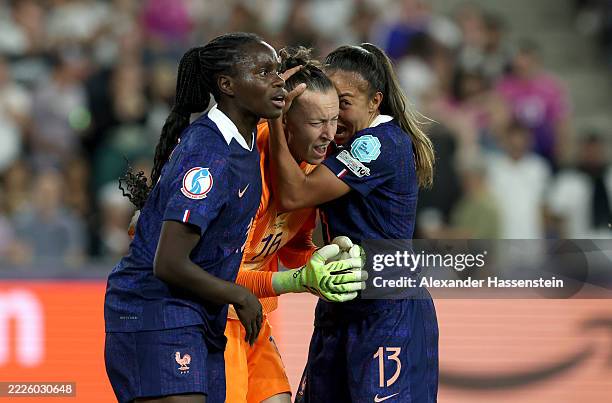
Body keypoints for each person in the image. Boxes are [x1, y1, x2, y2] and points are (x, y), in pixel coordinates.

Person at [104, 32, 285, 403]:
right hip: (154, 310)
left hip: (198, 314)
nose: (278, 80)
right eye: (264, 72)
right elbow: (168, 263)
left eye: (278, 71)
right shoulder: (210, 151)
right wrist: (240, 294)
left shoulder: (244, 143)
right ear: (227, 85)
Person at [269, 43, 439, 402]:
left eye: (344, 103)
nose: (334, 115)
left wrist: (273, 116)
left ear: (374, 101)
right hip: (341, 306)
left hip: (386, 311)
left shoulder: (378, 145)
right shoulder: (340, 140)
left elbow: (295, 195)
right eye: (329, 104)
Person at [224, 47, 367, 403]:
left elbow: (294, 244)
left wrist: (324, 263)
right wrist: (297, 281)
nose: (330, 135)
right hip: (211, 316)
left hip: (253, 316)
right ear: (284, 120)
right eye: (317, 123)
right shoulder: (245, 171)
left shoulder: (310, 174)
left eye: (333, 121)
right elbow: (217, 274)